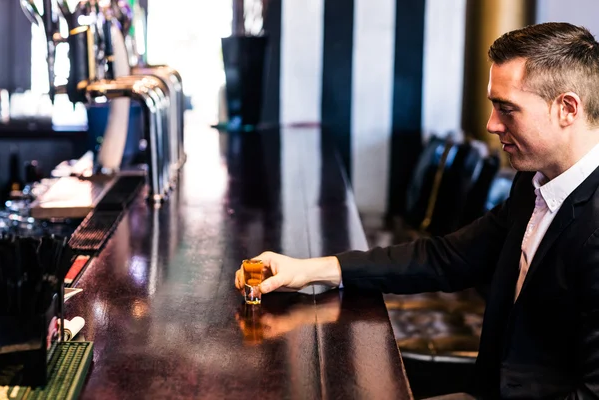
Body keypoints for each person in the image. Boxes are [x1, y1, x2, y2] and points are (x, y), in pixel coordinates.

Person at [234, 22, 599, 399]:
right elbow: (446, 258)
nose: (491, 124)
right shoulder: (534, 183)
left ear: (567, 108)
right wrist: (311, 269)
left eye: (507, 109)